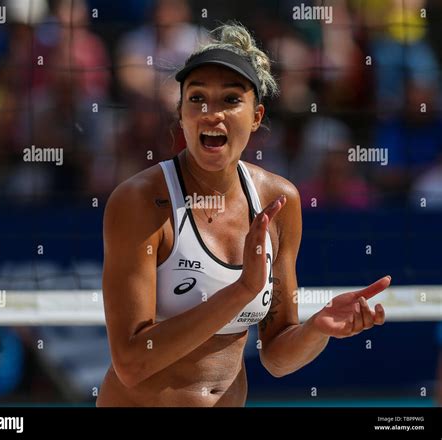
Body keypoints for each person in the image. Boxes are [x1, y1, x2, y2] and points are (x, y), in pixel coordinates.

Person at [97, 23, 391, 407]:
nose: (211, 113)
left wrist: (317, 329)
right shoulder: (141, 200)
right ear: (181, 113)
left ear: (256, 116)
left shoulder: (279, 199)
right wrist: (241, 291)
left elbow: (277, 356)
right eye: (197, 99)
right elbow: (132, 363)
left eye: (231, 100)